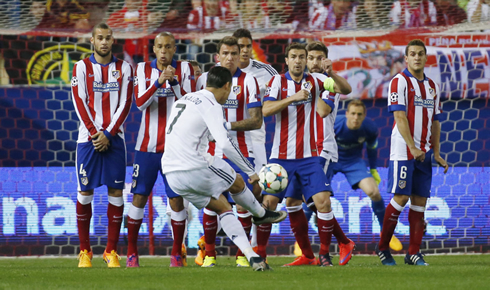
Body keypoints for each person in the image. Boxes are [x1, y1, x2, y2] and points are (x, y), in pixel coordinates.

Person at [161, 66, 287, 271]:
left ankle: (252, 257)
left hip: (171, 174)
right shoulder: (211, 104)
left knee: (223, 208)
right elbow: (225, 144)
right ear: (227, 86)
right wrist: (251, 171)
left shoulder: (185, 99)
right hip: (194, 166)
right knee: (237, 181)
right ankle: (260, 212)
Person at [258, 42, 354, 267]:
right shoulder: (277, 82)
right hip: (280, 156)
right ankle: (260, 256)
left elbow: (346, 90)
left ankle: (323, 256)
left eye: (302, 57)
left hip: (311, 156)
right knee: (269, 203)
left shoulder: (319, 81)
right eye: (295, 56)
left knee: (323, 203)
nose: (299, 60)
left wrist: (332, 74)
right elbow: (266, 110)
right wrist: (293, 98)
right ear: (287, 60)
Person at [376, 39, 448, 266]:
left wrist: (436, 152)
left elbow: (436, 122)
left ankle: (413, 253)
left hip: (424, 152)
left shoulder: (433, 87)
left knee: (420, 202)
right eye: (412, 54)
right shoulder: (399, 82)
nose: (417, 57)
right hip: (403, 151)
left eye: (420, 54)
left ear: (426, 58)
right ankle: (382, 248)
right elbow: (399, 116)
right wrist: (412, 147)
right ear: (406, 59)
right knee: (401, 197)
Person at [126, 32, 196, 268]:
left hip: (175, 148)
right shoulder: (141, 69)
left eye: (168, 46)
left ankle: (177, 253)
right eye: (159, 47)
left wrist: (173, 82)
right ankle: (132, 253)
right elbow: (139, 103)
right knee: (139, 198)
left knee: (176, 200)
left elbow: (190, 104)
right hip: (146, 147)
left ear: (174, 49)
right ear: (153, 49)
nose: (164, 51)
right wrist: (158, 82)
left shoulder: (185, 69)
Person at [194, 36, 263, 268]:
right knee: (213, 202)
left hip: (241, 149)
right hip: (210, 152)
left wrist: (227, 126)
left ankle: (242, 256)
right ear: (218, 56)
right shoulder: (204, 79)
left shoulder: (250, 81)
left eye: (235, 53)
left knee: (243, 204)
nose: (231, 57)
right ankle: (210, 254)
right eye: (226, 53)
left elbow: (256, 121)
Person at [71, 23, 133, 268]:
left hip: (115, 139)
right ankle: (85, 251)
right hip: (88, 140)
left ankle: (111, 251)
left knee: (116, 192)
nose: (104, 42)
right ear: (92, 40)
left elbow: (126, 102)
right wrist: (97, 133)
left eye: (108, 38)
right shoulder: (81, 67)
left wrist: (108, 133)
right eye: (100, 38)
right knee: (85, 192)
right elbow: (79, 101)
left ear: (113, 40)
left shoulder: (124, 68)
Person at [231, 28, 278, 257]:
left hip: (256, 138)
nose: (245, 50)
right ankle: (208, 245)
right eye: (240, 46)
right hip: (229, 140)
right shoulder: (222, 73)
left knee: (259, 190)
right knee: (223, 193)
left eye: (248, 46)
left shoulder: (266, 72)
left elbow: (278, 97)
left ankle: (259, 249)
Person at [333, 99, 403, 251]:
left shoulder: (370, 128)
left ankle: (387, 234)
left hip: (353, 162)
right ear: (346, 114)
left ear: (364, 115)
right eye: (352, 114)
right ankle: (301, 240)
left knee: (374, 192)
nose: (356, 118)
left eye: (359, 114)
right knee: (315, 195)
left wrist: (373, 170)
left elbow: (372, 149)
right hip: (331, 159)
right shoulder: (335, 124)